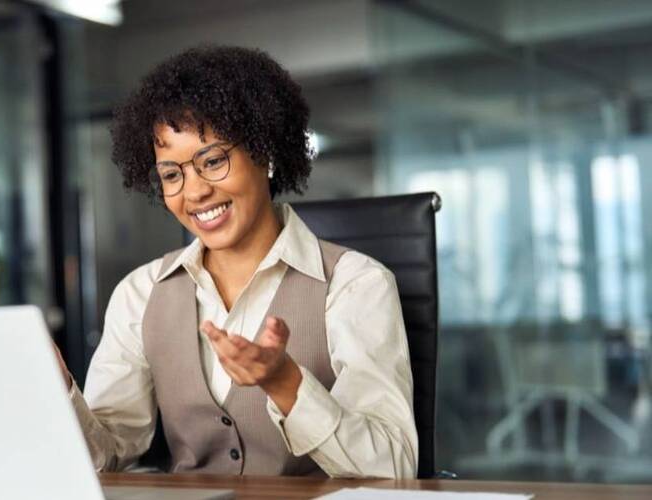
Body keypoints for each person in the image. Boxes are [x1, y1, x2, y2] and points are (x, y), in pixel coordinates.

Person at [54, 45, 417, 479]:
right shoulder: (141, 293)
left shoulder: (356, 284)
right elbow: (107, 457)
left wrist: (285, 382)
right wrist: (58, 391)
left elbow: (394, 468)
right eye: (172, 174)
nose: (194, 192)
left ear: (264, 153)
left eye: (212, 161)